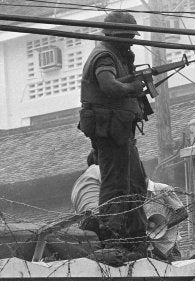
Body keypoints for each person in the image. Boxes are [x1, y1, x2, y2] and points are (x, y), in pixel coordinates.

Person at [78, 11, 151, 255]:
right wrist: (132, 88)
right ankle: (113, 235)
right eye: (128, 36)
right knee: (116, 183)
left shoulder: (116, 55)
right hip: (110, 130)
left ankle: (135, 235)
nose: (131, 40)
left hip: (120, 129)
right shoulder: (105, 55)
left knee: (136, 183)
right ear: (117, 36)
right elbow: (108, 84)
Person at [144, 179, 188, 261]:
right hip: (151, 250)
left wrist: (161, 227)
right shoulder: (137, 194)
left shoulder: (163, 189)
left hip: (169, 248)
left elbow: (183, 213)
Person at [70, 150, 102, 233]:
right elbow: (113, 188)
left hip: (86, 225)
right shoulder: (97, 169)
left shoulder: (76, 184)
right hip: (101, 217)